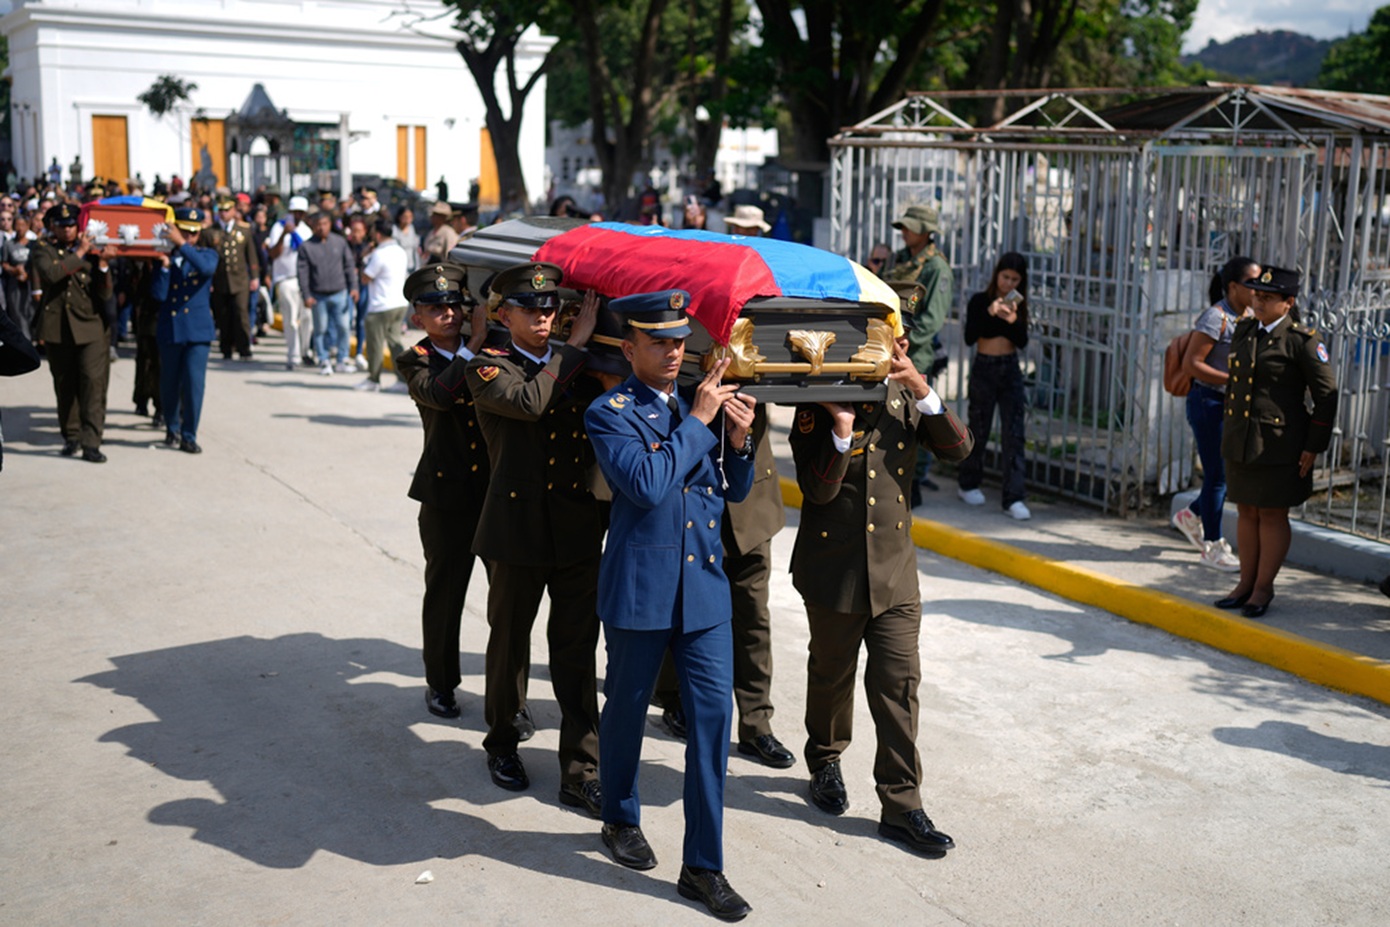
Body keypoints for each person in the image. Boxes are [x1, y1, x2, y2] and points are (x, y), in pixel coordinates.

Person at [584, 290, 756, 921]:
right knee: (627, 709)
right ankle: (618, 816)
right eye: (659, 341)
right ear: (630, 349)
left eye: (680, 341)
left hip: (705, 590)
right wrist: (700, 421)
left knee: (712, 724)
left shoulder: (696, 405)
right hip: (641, 589)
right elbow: (649, 485)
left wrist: (736, 440)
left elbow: (728, 491)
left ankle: (702, 866)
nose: (674, 351)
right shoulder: (609, 412)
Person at [790, 335, 973, 857]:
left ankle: (902, 806)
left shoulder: (904, 396)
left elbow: (959, 449)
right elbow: (818, 489)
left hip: (895, 572)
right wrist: (841, 429)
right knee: (831, 673)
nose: (894, 345)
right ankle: (825, 759)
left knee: (898, 685)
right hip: (835, 571)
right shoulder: (815, 399)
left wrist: (922, 388)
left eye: (898, 337)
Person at [463, 261, 604, 812]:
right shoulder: (487, 368)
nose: (544, 318)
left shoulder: (583, 366)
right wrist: (577, 346)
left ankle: (581, 768)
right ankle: (501, 742)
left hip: (575, 528)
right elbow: (530, 403)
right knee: (509, 646)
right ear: (504, 315)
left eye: (552, 309)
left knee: (576, 653)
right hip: (515, 530)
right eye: (532, 309)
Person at [394, 261, 491, 719]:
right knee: (446, 594)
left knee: (507, 603)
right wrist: (473, 344)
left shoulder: (494, 349)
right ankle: (441, 683)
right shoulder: (415, 358)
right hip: (445, 496)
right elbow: (441, 394)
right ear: (418, 317)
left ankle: (508, 696)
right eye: (436, 308)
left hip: (494, 494)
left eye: (454, 304)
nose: (448, 314)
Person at [1216, 266, 1338, 618]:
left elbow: (1326, 395)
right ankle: (1244, 583)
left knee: (1271, 513)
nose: (1258, 302)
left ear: (1288, 303)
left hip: (1280, 443)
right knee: (1245, 510)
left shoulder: (1302, 340)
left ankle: (1263, 588)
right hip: (1242, 439)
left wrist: (1313, 445)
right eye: (1256, 295)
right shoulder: (1245, 329)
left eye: (1267, 298)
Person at [1172, 256, 1260, 571]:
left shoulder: (1250, 315)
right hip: (1208, 402)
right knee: (1218, 476)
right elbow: (1191, 365)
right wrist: (1234, 380)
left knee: (1225, 474)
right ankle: (1212, 546)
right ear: (1233, 286)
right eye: (1252, 282)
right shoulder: (1216, 317)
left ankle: (1192, 514)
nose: (1258, 288)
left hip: (1230, 405)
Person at [32, 202, 116, 462]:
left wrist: (102, 265)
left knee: (93, 383)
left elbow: (104, 294)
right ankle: (71, 436)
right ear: (52, 227)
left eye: (72, 225)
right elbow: (51, 274)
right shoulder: (43, 249)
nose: (68, 230)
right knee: (65, 384)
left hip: (90, 327)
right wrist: (79, 252)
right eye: (62, 225)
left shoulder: (92, 250)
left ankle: (92, 441)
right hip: (58, 328)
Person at [956, 251, 1032, 520]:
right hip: (984, 367)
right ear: (996, 274)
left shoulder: (1018, 306)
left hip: (1009, 368)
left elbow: (1022, 341)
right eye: (1005, 277)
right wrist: (990, 313)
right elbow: (970, 336)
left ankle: (1013, 497)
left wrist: (1012, 322)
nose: (1008, 284)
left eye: (1015, 279)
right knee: (978, 426)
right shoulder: (980, 301)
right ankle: (968, 482)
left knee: (1014, 433)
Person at [886, 204, 952, 501]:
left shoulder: (937, 267)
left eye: (909, 227)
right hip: (889, 347)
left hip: (916, 354)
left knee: (914, 415)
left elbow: (931, 321)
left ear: (926, 232)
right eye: (903, 226)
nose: (903, 232)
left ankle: (915, 482)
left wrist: (903, 340)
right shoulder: (899, 259)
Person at [150, 209, 219, 454]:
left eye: (193, 233)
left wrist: (181, 245)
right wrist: (165, 267)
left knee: (194, 385)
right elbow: (158, 294)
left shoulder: (206, 254)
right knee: (169, 383)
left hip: (198, 331)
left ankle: (189, 434)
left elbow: (207, 269)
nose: (188, 237)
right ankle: (172, 426)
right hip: (172, 329)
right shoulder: (166, 257)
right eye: (184, 232)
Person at [296, 211, 358, 375]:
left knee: (344, 327)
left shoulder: (340, 242)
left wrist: (354, 287)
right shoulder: (306, 247)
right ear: (312, 226)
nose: (321, 227)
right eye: (318, 224)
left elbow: (349, 266)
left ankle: (342, 359)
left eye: (324, 223)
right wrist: (306, 295)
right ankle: (323, 360)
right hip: (318, 296)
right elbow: (303, 273)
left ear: (330, 224)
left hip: (340, 292)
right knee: (321, 329)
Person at [355, 218, 409, 391]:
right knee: (395, 342)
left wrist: (364, 258)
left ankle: (374, 379)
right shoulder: (400, 251)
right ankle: (402, 379)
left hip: (380, 305)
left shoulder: (379, 254)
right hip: (399, 302)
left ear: (377, 235)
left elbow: (365, 278)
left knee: (375, 344)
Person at [266, 195, 314, 370]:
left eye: (301, 213)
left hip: (304, 280)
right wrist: (285, 234)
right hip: (286, 279)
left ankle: (304, 351)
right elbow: (273, 254)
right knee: (291, 319)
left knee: (307, 318)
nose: (298, 216)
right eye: (295, 212)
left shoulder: (307, 231)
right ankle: (293, 355)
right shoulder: (278, 228)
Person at [210, 197, 260, 360]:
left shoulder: (243, 230)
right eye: (221, 210)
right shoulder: (211, 231)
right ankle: (226, 348)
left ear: (233, 211)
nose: (224, 214)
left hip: (240, 280)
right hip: (220, 280)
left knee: (241, 314)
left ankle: (244, 347)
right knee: (223, 316)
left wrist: (255, 277)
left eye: (227, 210)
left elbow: (251, 256)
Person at [392, 206, 420, 273]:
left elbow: (415, 247)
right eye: (405, 216)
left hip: (412, 263)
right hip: (398, 263)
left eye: (410, 217)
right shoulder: (394, 230)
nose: (408, 219)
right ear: (399, 217)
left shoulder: (411, 228)